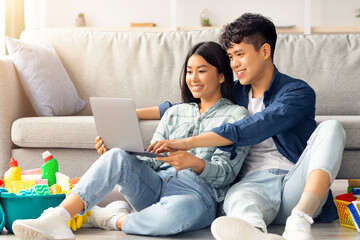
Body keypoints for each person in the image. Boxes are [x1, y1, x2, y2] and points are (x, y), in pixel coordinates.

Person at [12, 41, 251, 239]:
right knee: (117, 155)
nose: (193, 78)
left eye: (202, 70)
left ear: (221, 76)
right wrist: (118, 156)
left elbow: (226, 173)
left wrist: (192, 162)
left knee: (172, 217)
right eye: (189, 71)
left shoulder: (236, 116)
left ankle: (109, 218)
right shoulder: (175, 113)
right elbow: (150, 162)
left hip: (197, 195)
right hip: (156, 184)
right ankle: (57, 217)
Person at [147, 13, 346, 240]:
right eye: (231, 57)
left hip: (295, 183)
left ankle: (300, 219)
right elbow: (191, 104)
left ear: (264, 51)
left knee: (332, 127)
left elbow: (256, 126)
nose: (234, 64)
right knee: (239, 201)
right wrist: (133, 114)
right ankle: (255, 233)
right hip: (252, 184)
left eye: (240, 55)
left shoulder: (297, 92)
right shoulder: (234, 92)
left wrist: (187, 142)